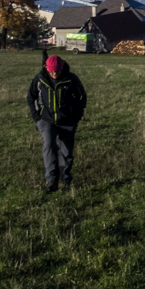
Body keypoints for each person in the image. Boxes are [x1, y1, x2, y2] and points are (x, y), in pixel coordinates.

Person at [27, 54, 87, 192]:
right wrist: (37, 118)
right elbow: (31, 98)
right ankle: (51, 180)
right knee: (49, 146)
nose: (54, 73)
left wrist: (76, 117)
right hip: (46, 121)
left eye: (57, 71)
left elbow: (81, 97)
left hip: (68, 121)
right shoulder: (39, 79)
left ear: (62, 68)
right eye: (52, 71)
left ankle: (65, 178)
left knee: (66, 152)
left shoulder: (71, 79)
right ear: (47, 68)